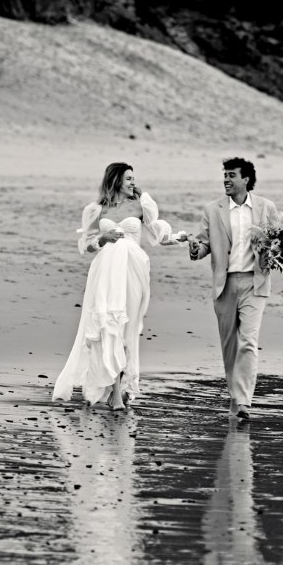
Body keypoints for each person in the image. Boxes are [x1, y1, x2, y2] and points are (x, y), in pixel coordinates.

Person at [52, 162, 186, 410]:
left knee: (127, 328)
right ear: (115, 181)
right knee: (106, 326)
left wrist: (179, 239)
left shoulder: (141, 204)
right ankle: (113, 392)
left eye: (134, 178)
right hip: (104, 273)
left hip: (132, 271)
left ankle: (122, 387)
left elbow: (158, 237)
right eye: (128, 179)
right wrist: (103, 238)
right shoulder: (96, 210)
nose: (133, 182)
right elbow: (87, 246)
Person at [188, 157, 278, 421]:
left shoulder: (265, 207)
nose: (226, 180)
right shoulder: (212, 209)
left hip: (255, 282)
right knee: (229, 345)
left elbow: (277, 241)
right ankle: (236, 397)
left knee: (248, 342)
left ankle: (244, 403)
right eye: (224, 175)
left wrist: (278, 254)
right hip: (224, 284)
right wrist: (196, 249)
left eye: (231, 175)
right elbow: (203, 244)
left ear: (246, 179)